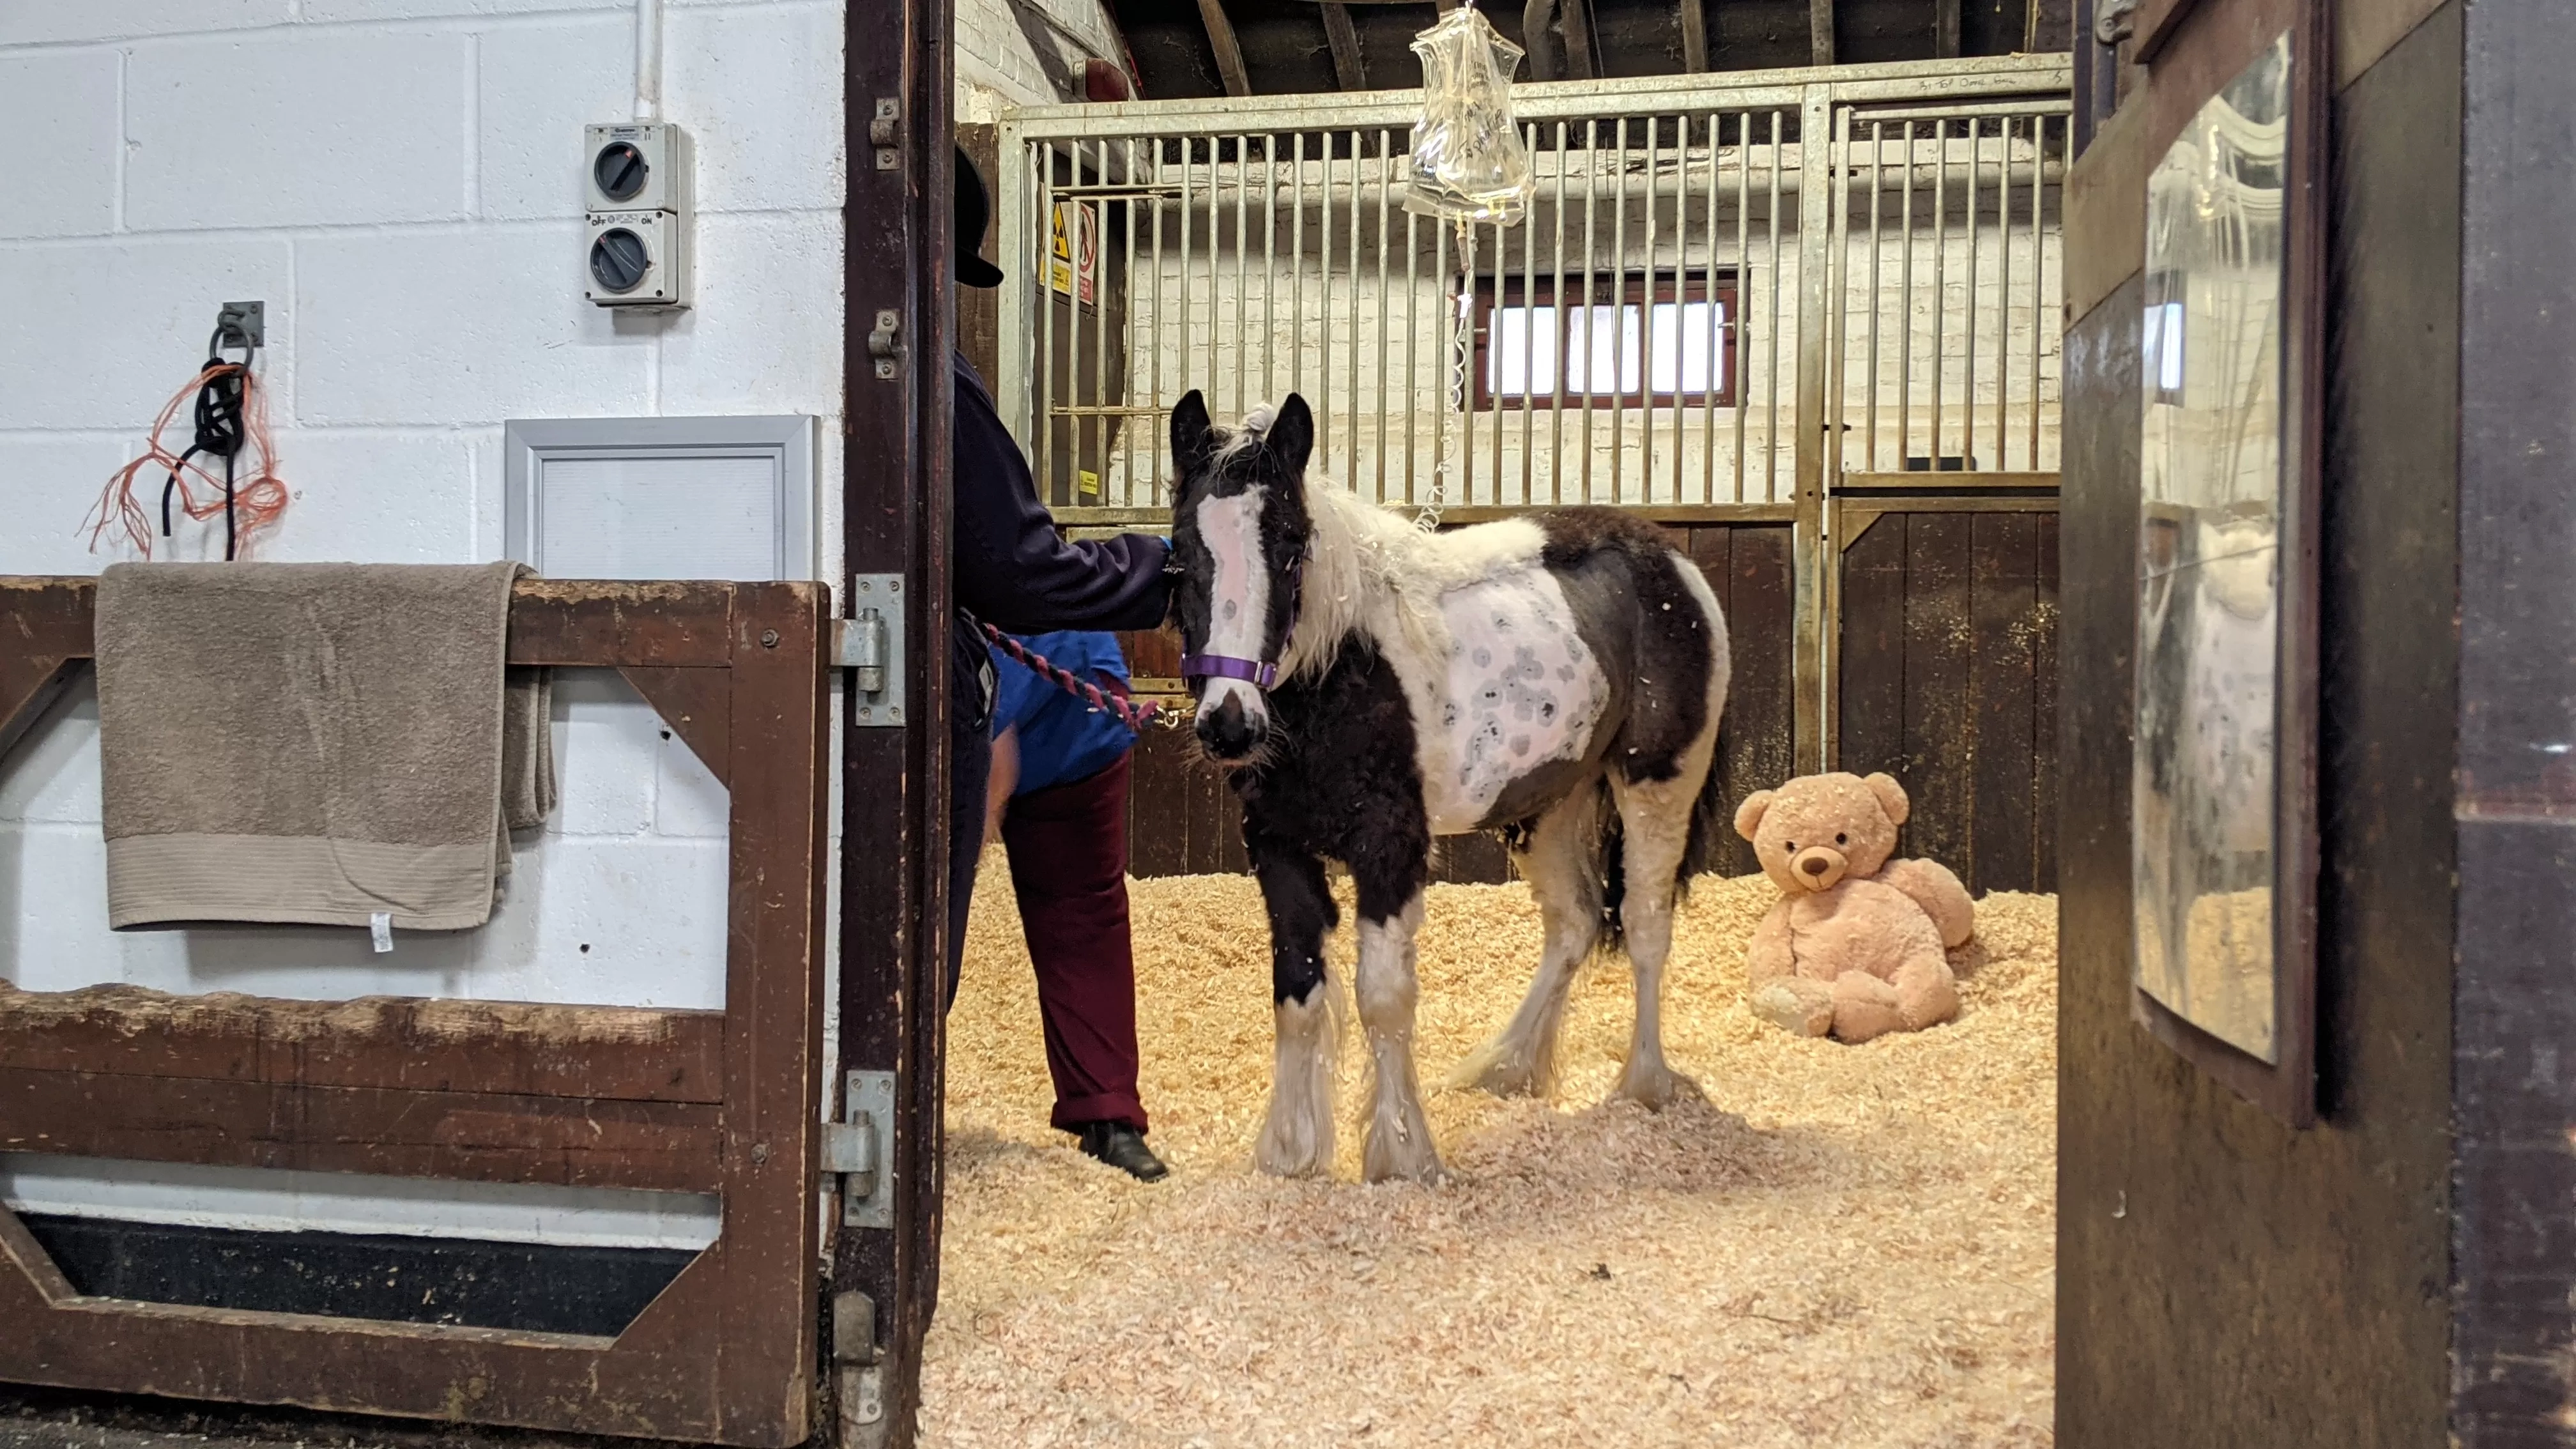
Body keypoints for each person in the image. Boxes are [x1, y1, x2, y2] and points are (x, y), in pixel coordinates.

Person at [946, 146, 1172, 1161]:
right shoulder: (937, 382)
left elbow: (987, 786)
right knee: (1034, 906)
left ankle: (1107, 1114)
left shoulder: (940, 385)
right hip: (1006, 673)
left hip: (1066, 705)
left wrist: (974, 831)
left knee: (1078, 907)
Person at [981, 631, 1165, 1180]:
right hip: (953, 701)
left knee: (1084, 916)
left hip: (1073, 715)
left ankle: (1107, 1113)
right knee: (911, 915)